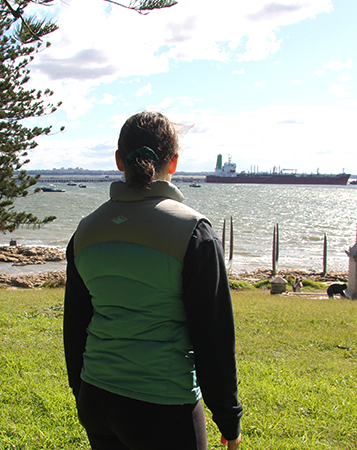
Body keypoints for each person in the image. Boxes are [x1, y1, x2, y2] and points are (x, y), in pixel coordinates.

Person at [64, 111, 243, 450]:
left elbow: (75, 326)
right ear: (173, 162)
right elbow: (213, 337)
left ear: (119, 160)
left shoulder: (86, 230)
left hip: (96, 398)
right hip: (164, 408)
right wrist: (228, 419)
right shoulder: (193, 231)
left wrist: (81, 390)